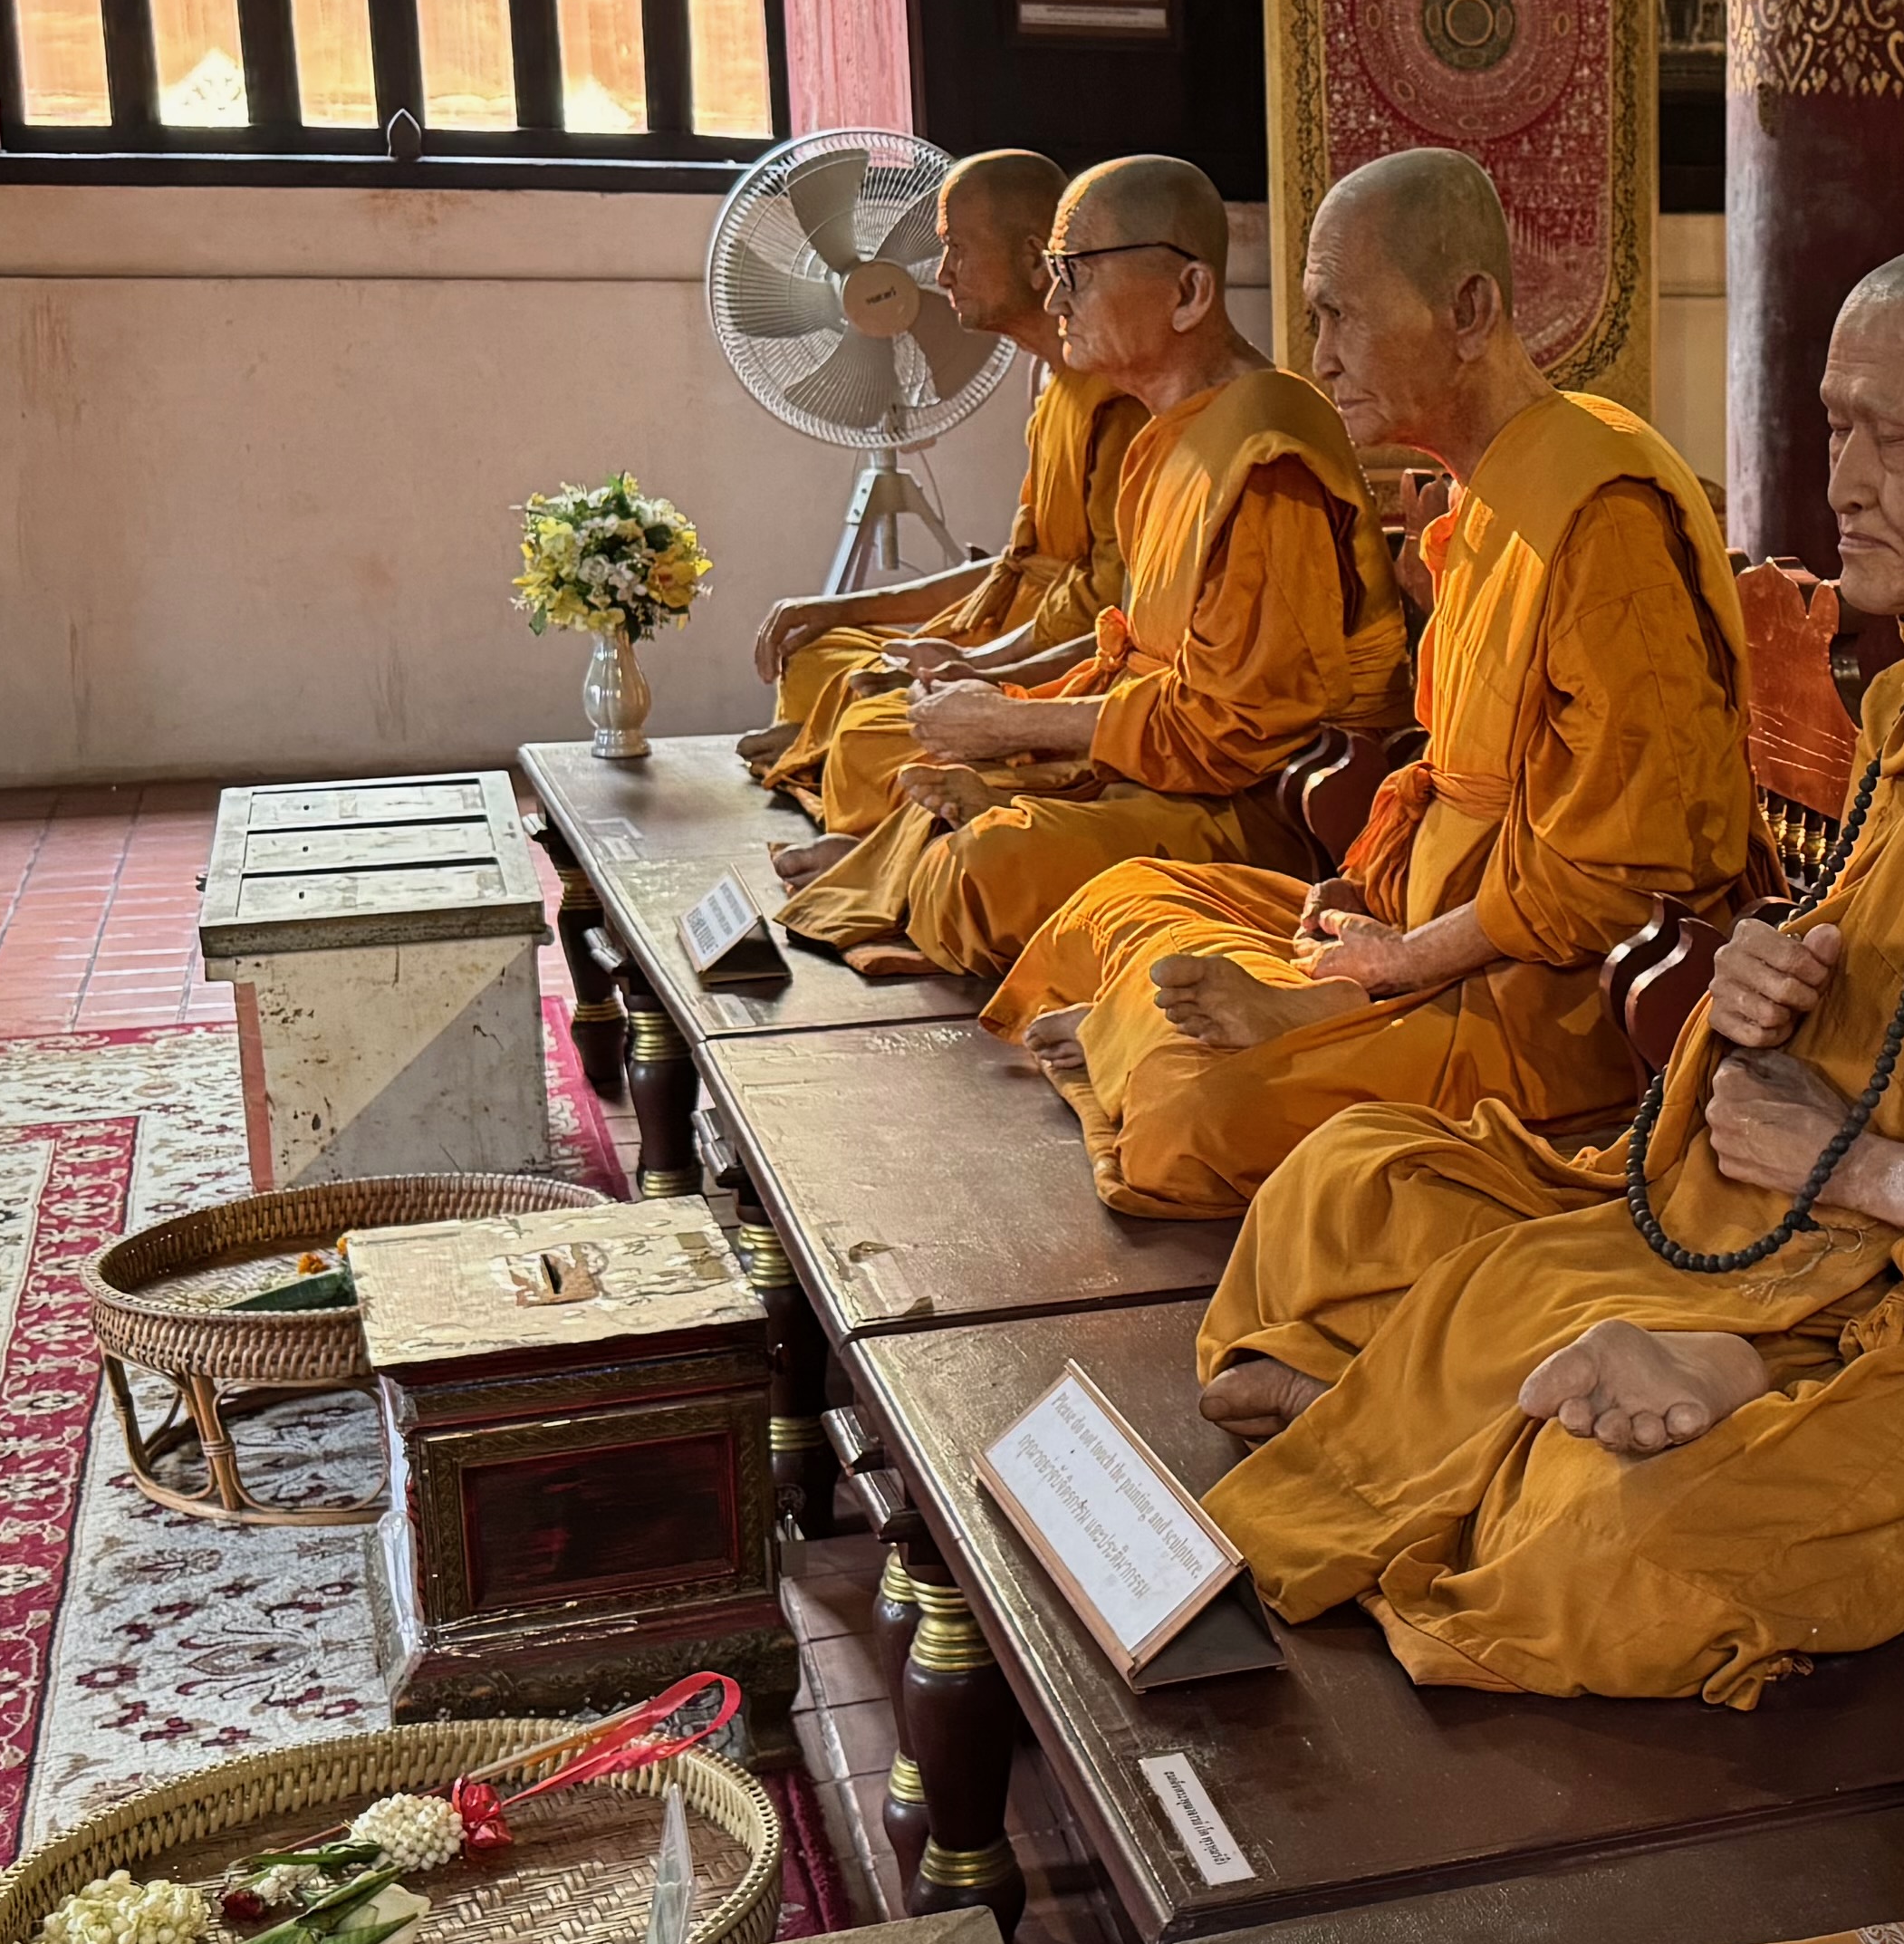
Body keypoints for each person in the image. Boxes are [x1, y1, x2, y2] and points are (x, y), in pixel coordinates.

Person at [1188, 226, 1904, 1705]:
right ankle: (1467, 1428)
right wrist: (1749, 1000)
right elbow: (1886, 1006)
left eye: (1892, 433)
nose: (1844, 479)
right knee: (1340, 1187)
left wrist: (1857, 1171)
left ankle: (1461, 1432)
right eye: (1832, 427)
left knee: (1601, 1550)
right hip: (1769, 1231)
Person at [988, 147, 1754, 1215]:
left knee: (1187, 1115)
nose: (1319, 354)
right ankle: (1154, 1032)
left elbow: (1623, 876)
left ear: (1469, 309)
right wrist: (1365, 909)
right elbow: (1448, 776)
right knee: (1113, 903)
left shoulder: (1599, 514)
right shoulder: (1481, 493)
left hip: (1549, 1000)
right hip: (1435, 929)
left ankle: (1165, 1046)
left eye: (1341, 315)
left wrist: (1399, 962)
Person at [775, 158, 1406, 984]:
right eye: (1053, 273)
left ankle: (916, 869)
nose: (1054, 297)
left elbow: (1242, 729)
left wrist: (1019, 729)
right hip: (1167, 767)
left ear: (1188, 294)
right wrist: (1014, 723)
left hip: (1265, 808)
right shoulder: (1172, 432)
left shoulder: (1263, 452)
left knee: (980, 869)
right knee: (948, 787)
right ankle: (914, 857)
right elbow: (1124, 646)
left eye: (1075, 272)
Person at [736, 149, 1149, 833]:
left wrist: (980, 670)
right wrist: (838, 609)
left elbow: (1106, 608)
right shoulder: (1050, 379)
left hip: (1057, 662)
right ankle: (827, 751)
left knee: (871, 721)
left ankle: (833, 761)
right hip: (1010, 628)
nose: (941, 273)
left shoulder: (1118, 398)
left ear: (1029, 255)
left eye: (956, 248)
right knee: (818, 655)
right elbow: (1018, 566)